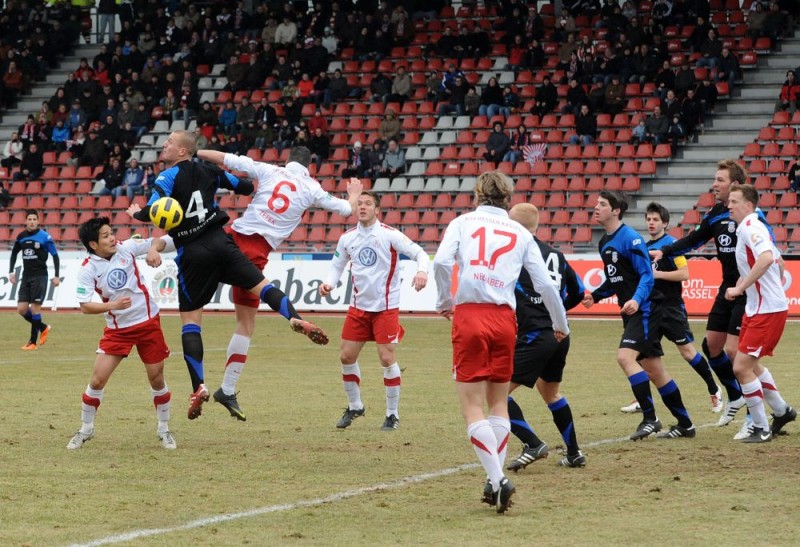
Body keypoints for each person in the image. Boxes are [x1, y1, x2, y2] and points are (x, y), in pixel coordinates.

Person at [128, 131, 330, 420]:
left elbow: (153, 211)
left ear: (183, 151)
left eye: (170, 142)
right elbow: (245, 186)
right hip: (223, 242)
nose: (165, 145)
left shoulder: (166, 178)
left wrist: (137, 213)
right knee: (262, 286)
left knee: (191, 322)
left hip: (192, 253)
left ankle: (198, 385)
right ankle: (294, 316)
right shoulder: (209, 170)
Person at [432, 171, 570, 514]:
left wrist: (443, 302)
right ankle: (494, 483)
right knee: (497, 404)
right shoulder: (520, 232)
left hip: (471, 315)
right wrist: (560, 323)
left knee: (471, 406)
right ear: (508, 197)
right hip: (505, 321)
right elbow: (547, 286)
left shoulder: (463, 223)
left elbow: (441, 262)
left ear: (477, 193)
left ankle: (498, 480)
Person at [194, 146, 361, 421]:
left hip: (229, 239)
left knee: (194, 303)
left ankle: (212, 386)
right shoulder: (311, 187)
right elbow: (345, 210)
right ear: (309, 166)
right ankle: (229, 385)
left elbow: (227, 159)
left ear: (288, 160)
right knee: (246, 324)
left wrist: (197, 150)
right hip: (254, 254)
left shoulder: (269, 170)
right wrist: (353, 194)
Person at [650, 159, 765, 436]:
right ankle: (736, 397)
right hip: (727, 286)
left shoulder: (752, 217)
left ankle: (754, 415)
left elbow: (765, 248)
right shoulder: (715, 213)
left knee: (735, 354)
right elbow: (693, 240)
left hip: (747, 289)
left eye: (720, 180)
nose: (714, 184)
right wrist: (665, 252)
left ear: (735, 185)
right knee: (711, 346)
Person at [582, 191, 696, 440]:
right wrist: (597, 296)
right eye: (596, 204)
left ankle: (650, 418)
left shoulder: (631, 239)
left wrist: (636, 299)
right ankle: (685, 424)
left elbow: (646, 275)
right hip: (633, 310)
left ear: (616, 211)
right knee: (655, 371)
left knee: (625, 357)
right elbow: (617, 280)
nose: (596, 207)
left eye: (602, 204)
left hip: (645, 310)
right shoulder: (604, 242)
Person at [319, 192, 428, 431]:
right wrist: (330, 284)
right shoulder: (347, 238)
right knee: (346, 356)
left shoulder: (389, 234)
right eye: (359, 204)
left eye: (368, 204)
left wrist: (422, 271)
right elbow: (336, 266)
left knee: (387, 358)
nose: (363, 207)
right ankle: (355, 405)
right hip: (358, 308)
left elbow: (420, 253)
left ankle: (392, 414)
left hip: (385, 308)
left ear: (377, 209)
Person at [67, 217, 175, 450]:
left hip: (148, 323)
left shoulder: (127, 248)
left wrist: (154, 250)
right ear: (93, 244)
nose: (112, 238)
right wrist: (112, 306)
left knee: (157, 379)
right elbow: (85, 306)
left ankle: (164, 429)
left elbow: (159, 241)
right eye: (105, 236)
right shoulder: (88, 269)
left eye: (111, 233)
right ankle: (86, 429)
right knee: (97, 380)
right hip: (118, 331)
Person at [504, 204, 587, 471]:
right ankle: (574, 453)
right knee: (550, 392)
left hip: (535, 335)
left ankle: (532, 443)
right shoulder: (556, 255)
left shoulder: (513, 255)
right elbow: (578, 291)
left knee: (495, 392)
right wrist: (557, 313)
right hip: (560, 334)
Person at [621, 203, 722, 413]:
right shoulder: (645, 247)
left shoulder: (672, 245)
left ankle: (714, 389)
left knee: (687, 353)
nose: (651, 223)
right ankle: (643, 401)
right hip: (651, 309)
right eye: (648, 219)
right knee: (644, 356)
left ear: (665, 223)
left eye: (655, 219)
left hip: (671, 308)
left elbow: (684, 274)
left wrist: (656, 275)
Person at [724, 184, 796, 442]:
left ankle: (760, 428)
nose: (729, 205)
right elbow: (779, 262)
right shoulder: (753, 226)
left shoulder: (751, 227)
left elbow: (766, 258)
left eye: (734, 201)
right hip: (760, 307)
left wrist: (741, 287)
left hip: (766, 310)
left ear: (748, 205)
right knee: (748, 365)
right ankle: (781, 410)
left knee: (741, 367)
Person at [9, 210, 60, 350]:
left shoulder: (45, 237)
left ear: (38, 221)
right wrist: (11, 272)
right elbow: (14, 253)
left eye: (34, 219)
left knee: (35, 308)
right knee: (21, 309)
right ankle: (43, 327)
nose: (31, 221)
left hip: (40, 276)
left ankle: (32, 343)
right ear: (26, 221)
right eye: (29, 219)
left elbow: (55, 256)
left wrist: (56, 275)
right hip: (26, 276)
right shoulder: (21, 237)